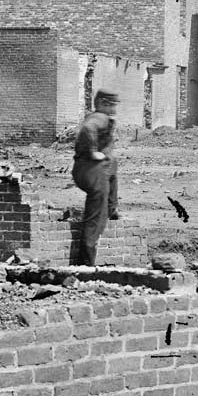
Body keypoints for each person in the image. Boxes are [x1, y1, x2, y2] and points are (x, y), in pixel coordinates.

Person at [72, 89, 120, 266]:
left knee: (113, 162)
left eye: (114, 105)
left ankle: (112, 208)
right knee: (95, 220)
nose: (113, 108)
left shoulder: (104, 118)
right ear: (101, 103)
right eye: (110, 105)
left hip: (91, 170)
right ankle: (86, 265)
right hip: (92, 170)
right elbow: (88, 129)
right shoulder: (99, 117)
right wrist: (93, 152)